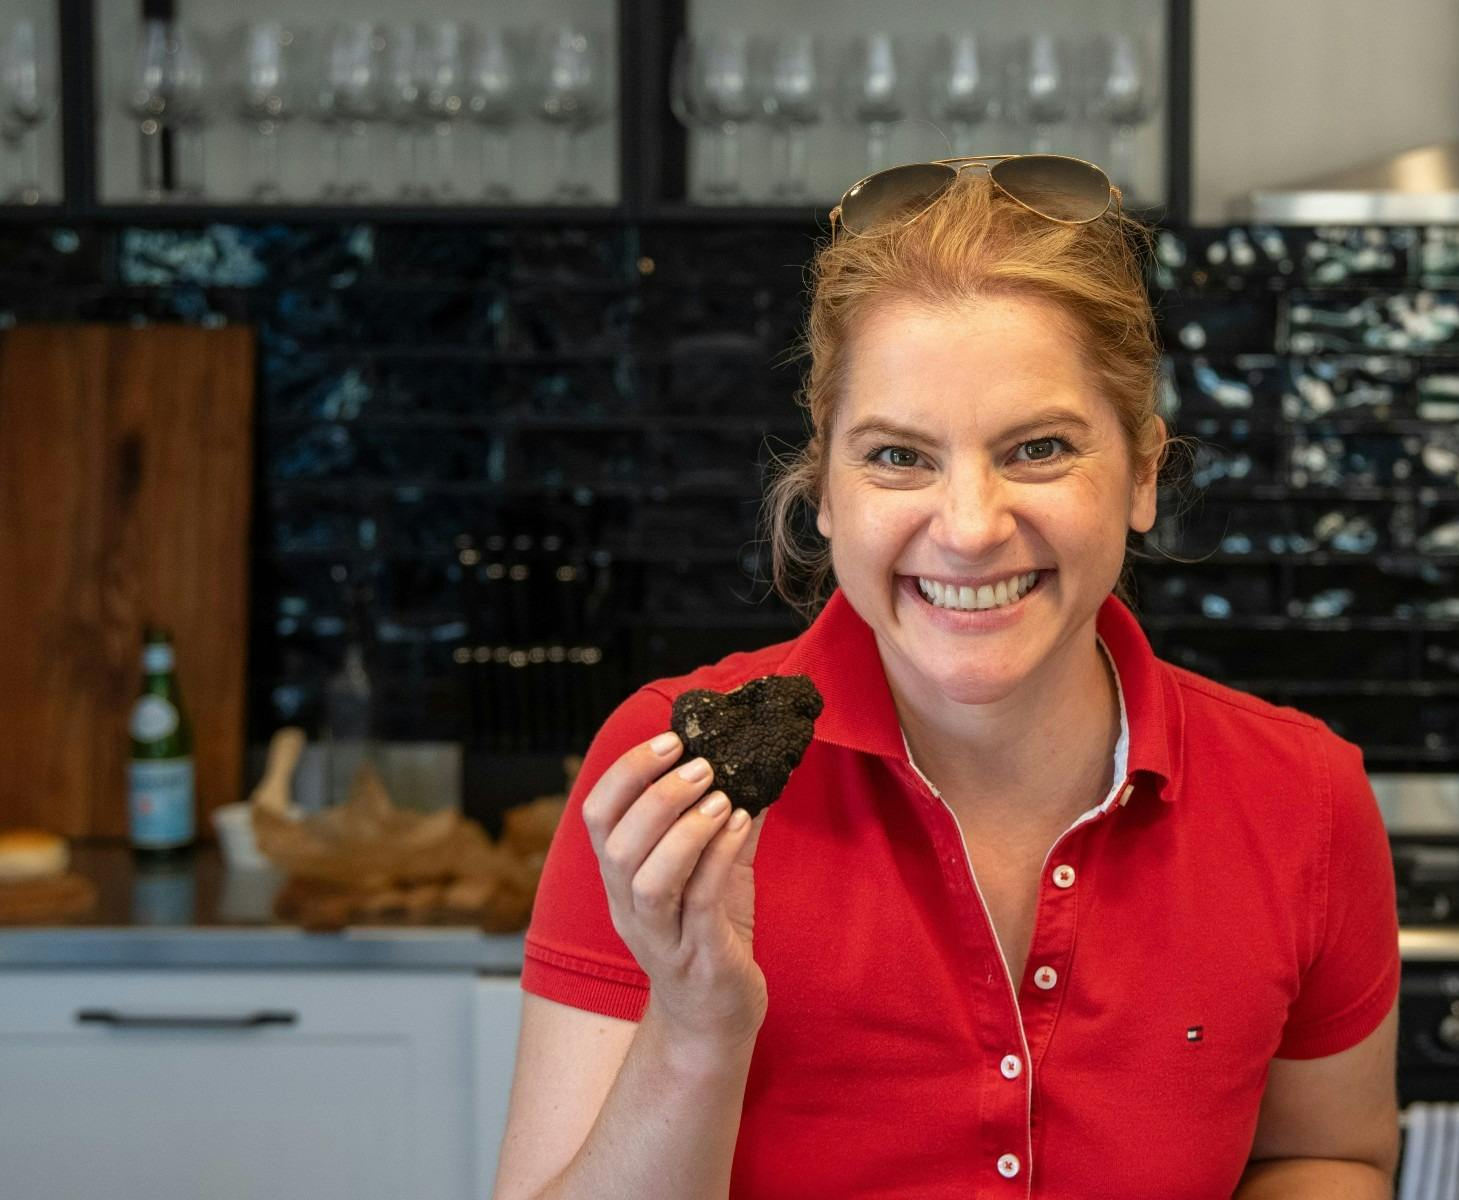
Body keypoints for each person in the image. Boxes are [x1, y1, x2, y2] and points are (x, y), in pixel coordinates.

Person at [492, 155, 1401, 1200]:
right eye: (898, 457)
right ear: (824, 485)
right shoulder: (662, 781)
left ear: (1144, 473)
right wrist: (696, 1023)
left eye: (1038, 448)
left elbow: (1324, 1155)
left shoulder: (1305, 799)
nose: (969, 527)